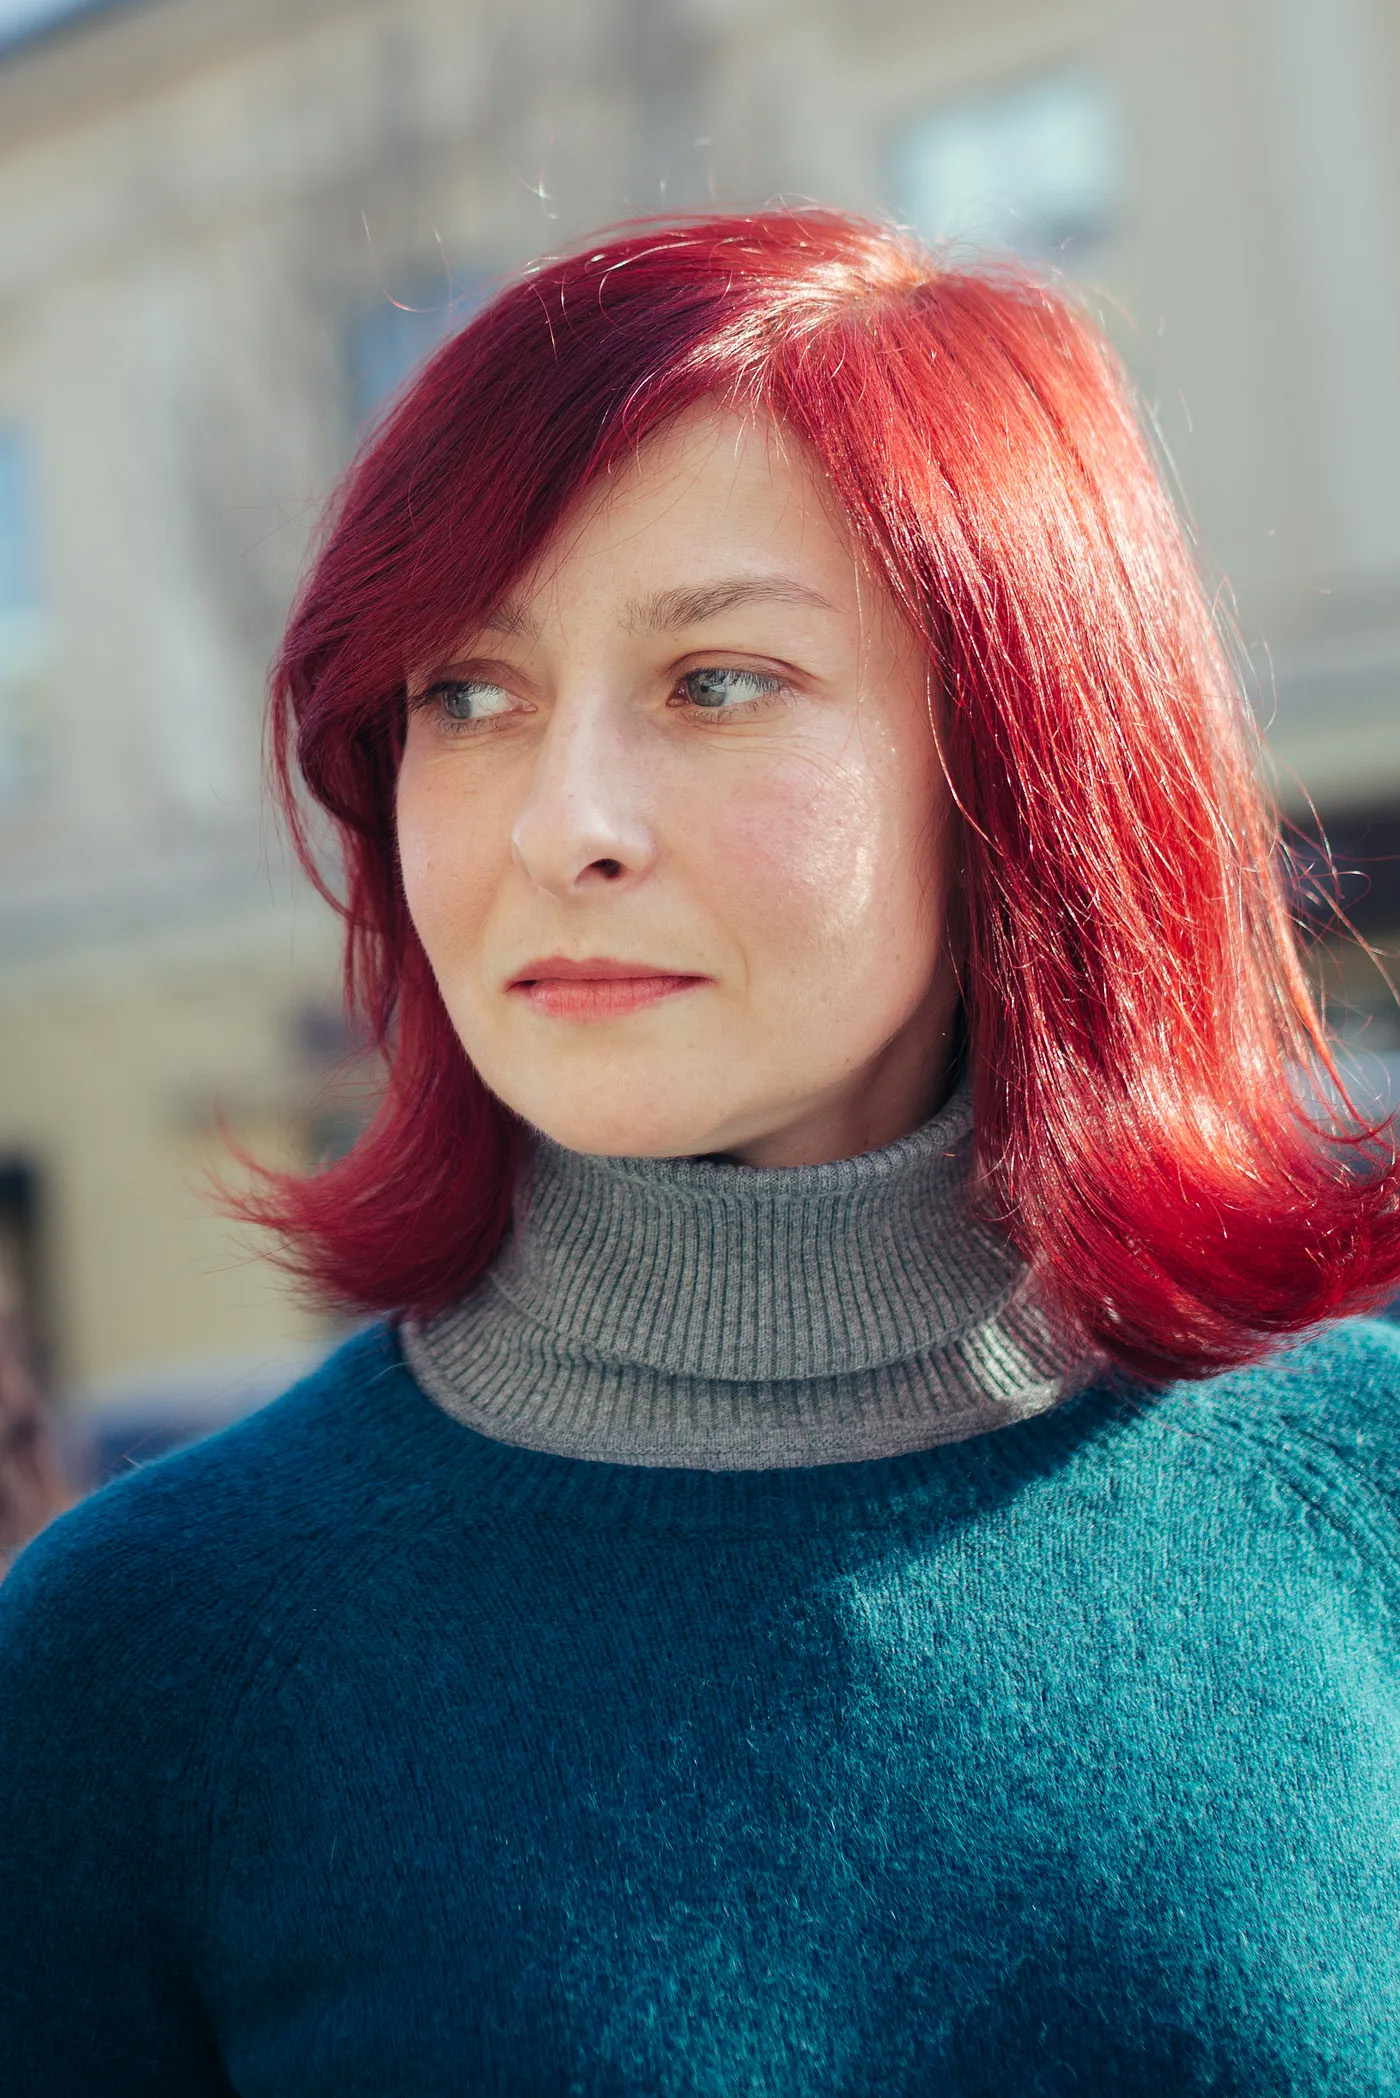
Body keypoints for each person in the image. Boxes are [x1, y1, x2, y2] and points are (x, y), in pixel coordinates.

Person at [2, 209, 1399, 2094]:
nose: (562, 821)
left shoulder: (1362, 1499)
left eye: (716, 680)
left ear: (1021, 753)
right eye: (466, 693)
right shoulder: (144, 1653)